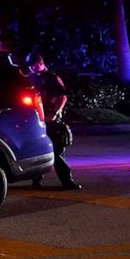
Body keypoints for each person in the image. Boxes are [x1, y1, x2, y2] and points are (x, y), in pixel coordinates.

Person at [24, 51, 81, 190]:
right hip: (36, 120)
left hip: (51, 120)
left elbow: (62, 97)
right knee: (38, 150)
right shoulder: (30, 77)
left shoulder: (51, 78)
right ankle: (36, 180)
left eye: (33, 65)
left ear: (40, 62)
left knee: (57, 152)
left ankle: (67, 181)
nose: (31, 68)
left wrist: (54, 114)